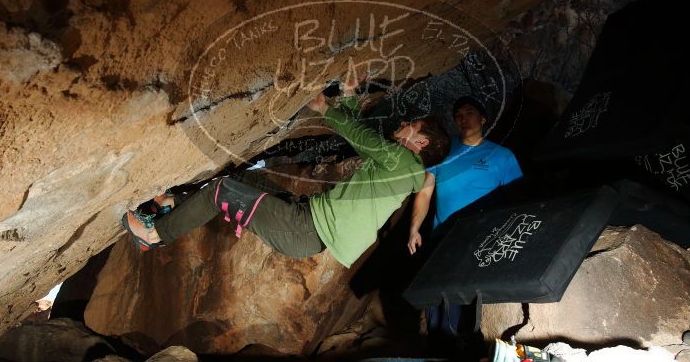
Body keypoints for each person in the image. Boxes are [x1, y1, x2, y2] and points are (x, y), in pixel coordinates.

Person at [122, 76, 451, 268]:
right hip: (307, 220)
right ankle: (172, 203)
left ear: (420, 142)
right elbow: (362, 132)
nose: (405, 125)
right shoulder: (407, 170)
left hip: (305, 230)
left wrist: (324, 109)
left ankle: (155, 236)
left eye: (413, 126)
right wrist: (349, 95)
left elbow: (360, 137)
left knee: (221, 191)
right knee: (246, 179)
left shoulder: (402, 161)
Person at [407, 96, 523, 254]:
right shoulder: (442, 150)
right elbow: (424, 193)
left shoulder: (502, 156)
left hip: (486, 236)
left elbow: (517, 198)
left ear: (482, 119)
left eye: (469, 113)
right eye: (459, 116)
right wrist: (414, 229)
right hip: (444, 236)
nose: (464, 119)